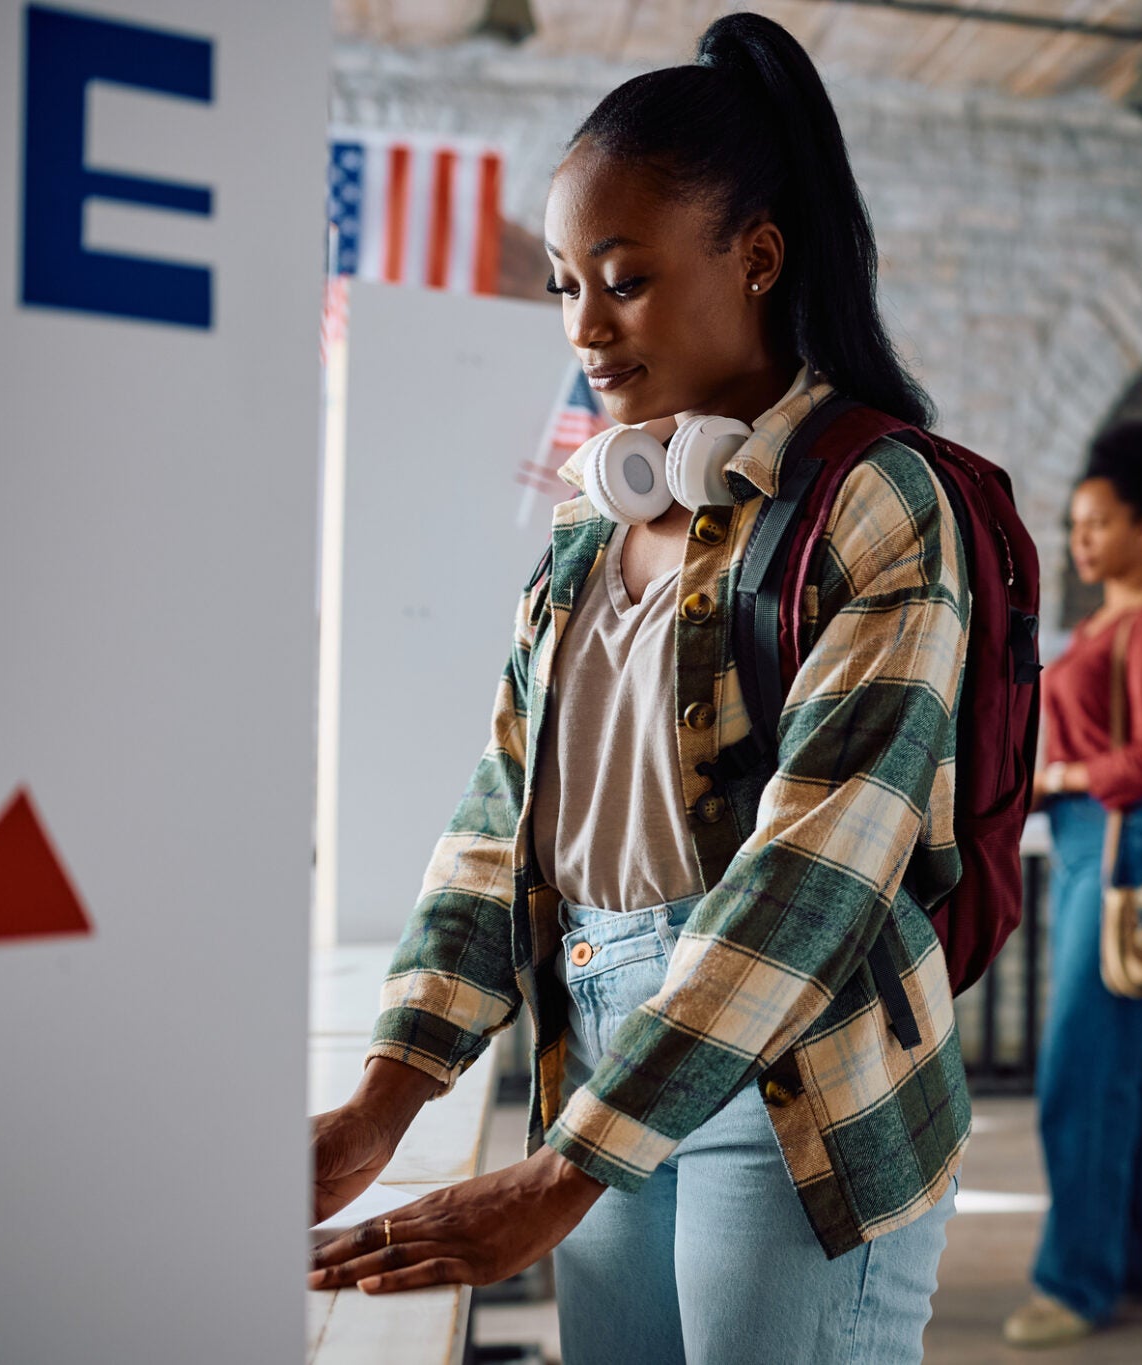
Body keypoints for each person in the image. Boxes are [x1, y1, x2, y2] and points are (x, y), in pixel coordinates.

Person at [306, 16, 973, 1362]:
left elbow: (813, 876)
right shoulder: (589, 525)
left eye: (623, 280)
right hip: (595, 1027)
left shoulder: (879, 504)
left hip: (802, 1055)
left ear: (759, 257)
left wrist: (563, 1172)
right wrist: (386, 1103)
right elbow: (504, 818)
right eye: (564, 286)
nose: (586, 329)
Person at [1004, 421, 1142, 1350]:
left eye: (1100, 524)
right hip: (1097, 844)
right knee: (1132, 1071)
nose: (1082, 540)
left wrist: (1059, 778)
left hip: (1129, 838)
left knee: (1081, 1069)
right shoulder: (1104, 620)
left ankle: (1078, 1283)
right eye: (1077, 524)